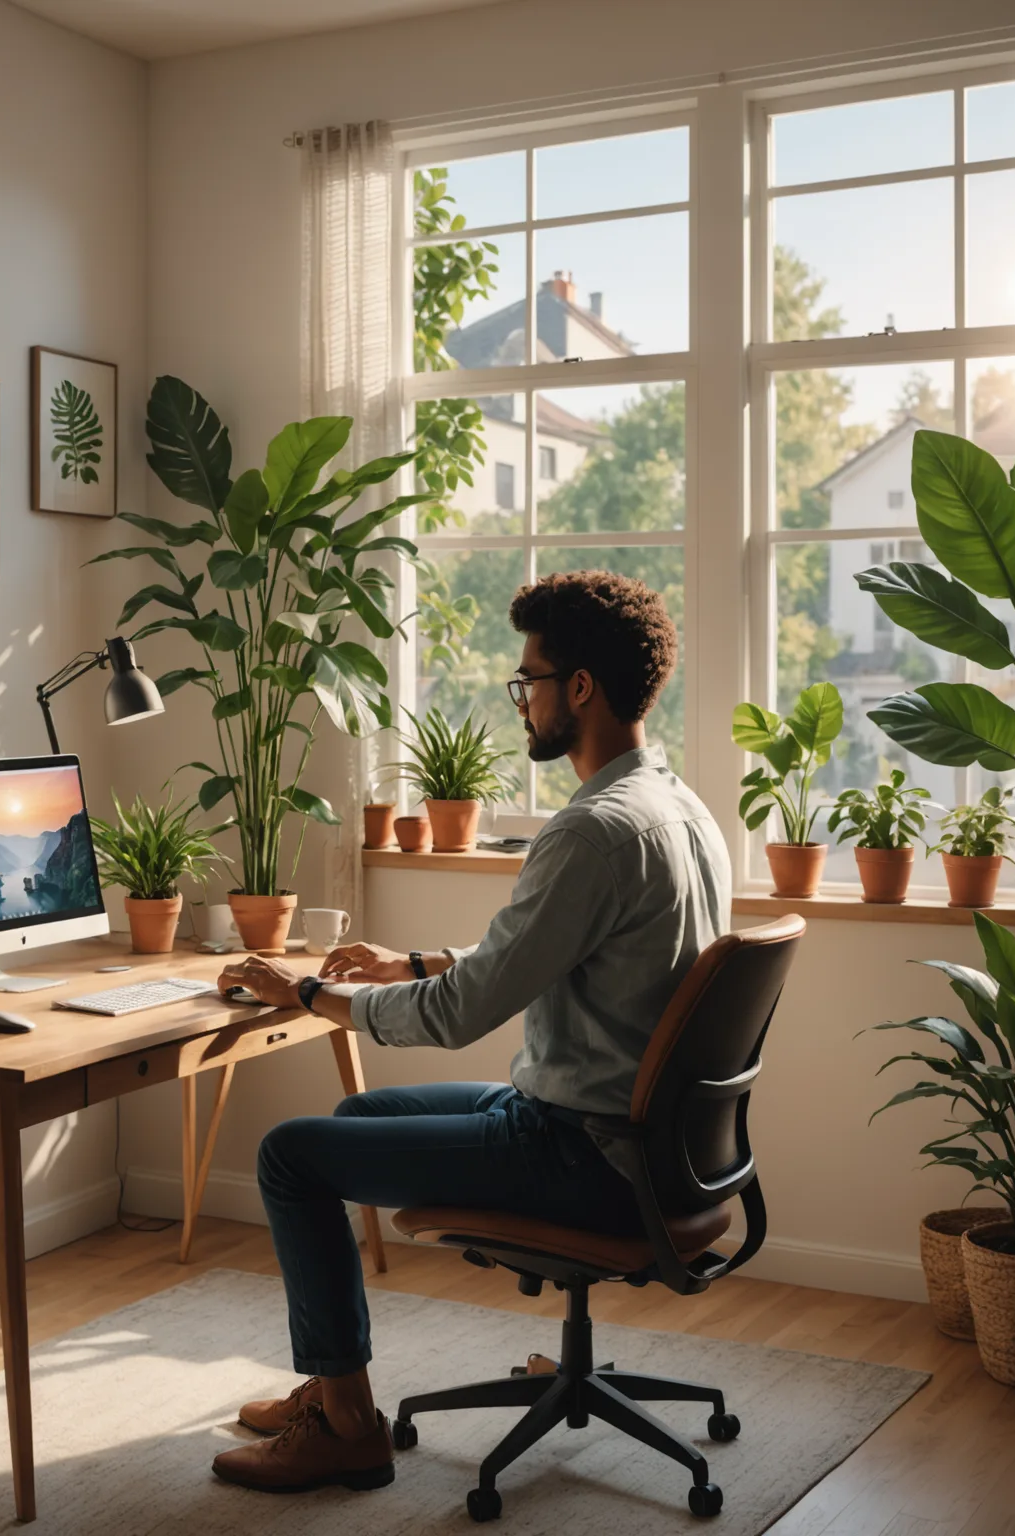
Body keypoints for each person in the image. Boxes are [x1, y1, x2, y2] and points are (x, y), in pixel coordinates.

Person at [210, 569, 732, 1495]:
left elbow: (459, 1019)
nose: (520, 700)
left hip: (584, 1153)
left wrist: (302, 994)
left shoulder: (591, 832)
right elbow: (549, 951)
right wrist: (410, 961)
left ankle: (345, 1432)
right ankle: (329, 1384)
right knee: (359, 1117)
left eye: (526, 679)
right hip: (656, 1146)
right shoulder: (678, 810)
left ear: (578, 688)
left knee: (292, 1156)